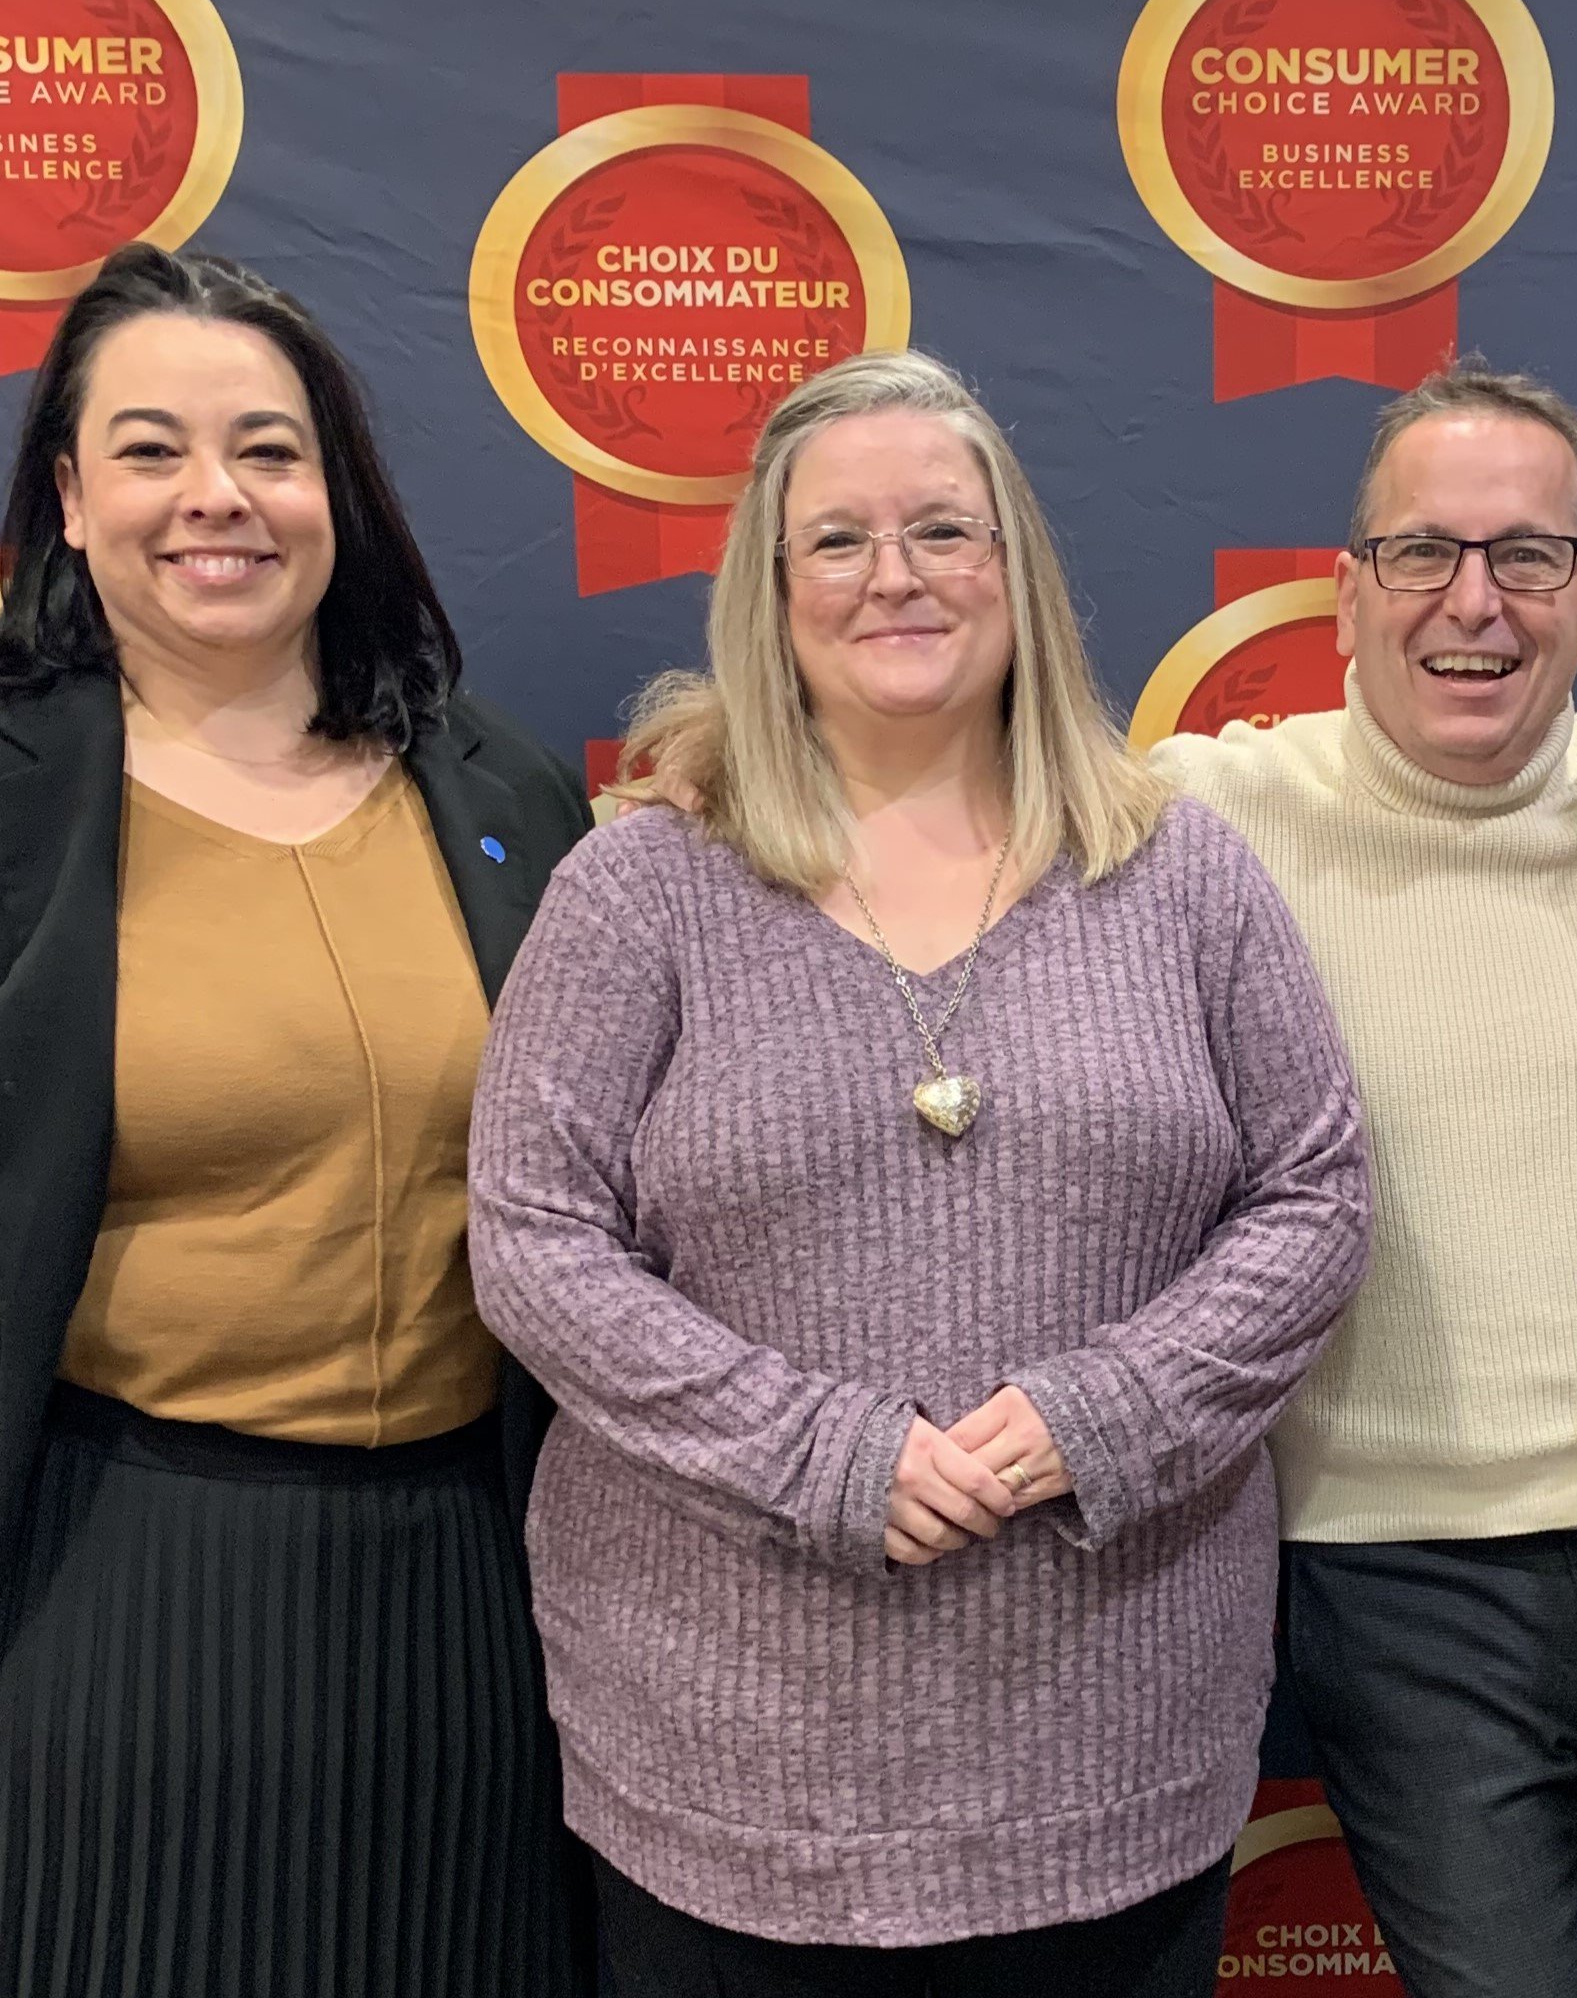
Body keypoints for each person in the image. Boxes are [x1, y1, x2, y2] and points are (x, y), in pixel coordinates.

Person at [0, 244, 593, 1995]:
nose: (218, 499)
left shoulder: (497, 785)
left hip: (459, 1615)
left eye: (269, 448)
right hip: (53, 1591)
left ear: (338, 489)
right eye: (153, 449)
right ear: (69, 493)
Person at [465, 347, 1370, 1998]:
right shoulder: (644, 888)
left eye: (946, 531)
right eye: (839, 540)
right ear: (771, 585)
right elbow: (533, 1238)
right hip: (730, 1775)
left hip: (1113, 1752)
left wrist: (1107, 1411)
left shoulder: (1179, 874)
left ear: (1017, 569)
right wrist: (818, 1450)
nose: (896, 577)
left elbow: (1314, 1192)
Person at [1152, 359, 1577, 1998]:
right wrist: (716, 768)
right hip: (1390, 1574)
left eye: (1528, 557)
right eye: (1422, 554)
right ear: (1347, 598)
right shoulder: (1200, 819)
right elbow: (923, 807)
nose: (1472, 602)